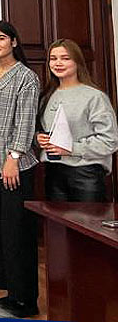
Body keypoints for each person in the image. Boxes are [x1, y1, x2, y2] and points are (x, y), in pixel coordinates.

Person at [0, 20, 40, 318]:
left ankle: (26, 299)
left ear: (13, 42)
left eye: (0, 38)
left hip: (14, 166)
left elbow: (26, 121)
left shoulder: (26, 77)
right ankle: (11, 292)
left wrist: (13, 157)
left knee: (18, 232)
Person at [36, 38, 118, 202]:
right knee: (55, 220)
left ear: (77, 62)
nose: (58, 63)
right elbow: (41, 130)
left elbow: (110, 141)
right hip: (53, 173)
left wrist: (71, 149)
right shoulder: (46, 96)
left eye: (65, 58)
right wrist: (38, 138)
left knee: (86, 219)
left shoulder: (94, 97)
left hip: (86, 175)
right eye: (53, 58)